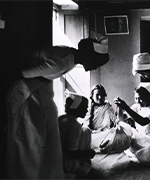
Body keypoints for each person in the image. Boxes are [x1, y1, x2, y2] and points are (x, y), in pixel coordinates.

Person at [5, 37, 109, 179]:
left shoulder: (71, 57)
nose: (95, 67)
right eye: (96, 63)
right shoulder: (62, 61)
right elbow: (23, 73)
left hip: (35, 91)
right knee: (29, 140)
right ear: (89, 56)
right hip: (24, 93)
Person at [113, 86, 150, 166]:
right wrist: (119, 106)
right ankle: (141, 155)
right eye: (136, 98)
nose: (138, 101)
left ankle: (141, 155)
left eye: (141, 98)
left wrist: (126, 107)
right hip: (142, 137)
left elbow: (143, 121)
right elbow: (121, 118)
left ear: (148, 97)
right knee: (128, 139)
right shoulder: (137, 106)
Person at [58, 95, 96, 179]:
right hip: (64, 162)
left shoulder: (61, 118)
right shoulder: (74, 125)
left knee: (86, 130)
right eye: (84, 108)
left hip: (56, 156)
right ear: (76, 108)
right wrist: (88, 153)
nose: (86, 111)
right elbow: (70, 153)